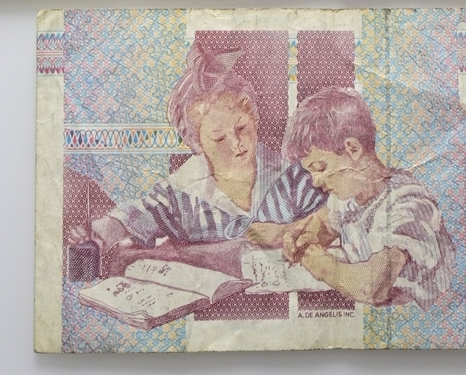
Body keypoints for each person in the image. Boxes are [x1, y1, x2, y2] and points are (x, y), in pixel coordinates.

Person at [75, 44, 326, 252]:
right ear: (197, 143)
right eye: (219, 138)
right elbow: (138, 214)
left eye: (241, 127)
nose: (236, 143)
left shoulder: (294, 179)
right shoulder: (182, 193)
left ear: (253, 117)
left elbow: (333, 218)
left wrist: (287, 231)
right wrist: (104, 231)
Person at [272, 87, 455, 308]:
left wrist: (324, 267)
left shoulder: (407, 203)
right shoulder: (346, 199)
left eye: (320, 168)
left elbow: (374, 287)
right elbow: (324, 225)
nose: (315, 181)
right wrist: (305, 238)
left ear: (352, 149)